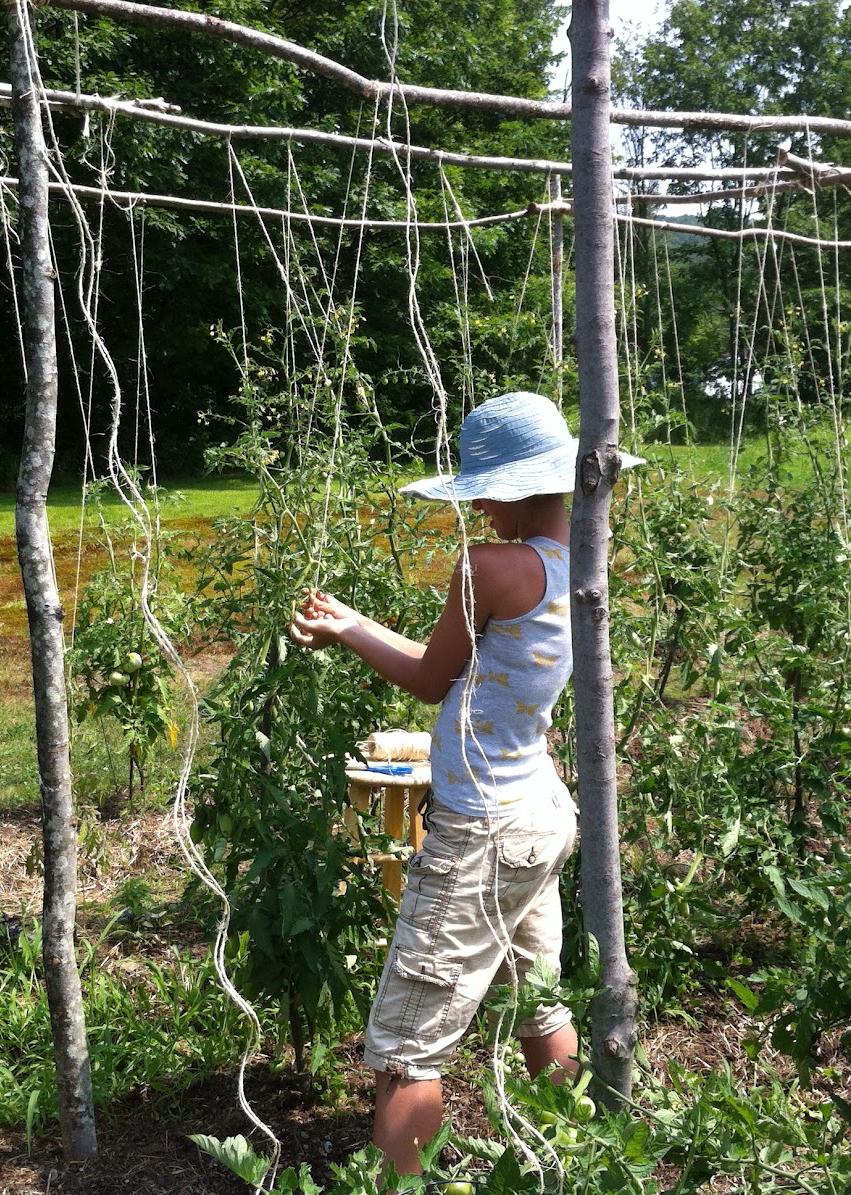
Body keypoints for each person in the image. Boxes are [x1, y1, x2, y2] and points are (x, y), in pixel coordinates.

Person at [289, 391, 640, 1177]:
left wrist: (344, 631)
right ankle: (580, 1161)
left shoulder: (488, 565)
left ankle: (403, 1188)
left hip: (481, 826)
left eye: (483, 488)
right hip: (536, 809)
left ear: (512, 488)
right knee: (533, 997)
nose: (477, 503)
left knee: (407, 1045)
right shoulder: (575, 562)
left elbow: (427, 677)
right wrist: (356, 621)